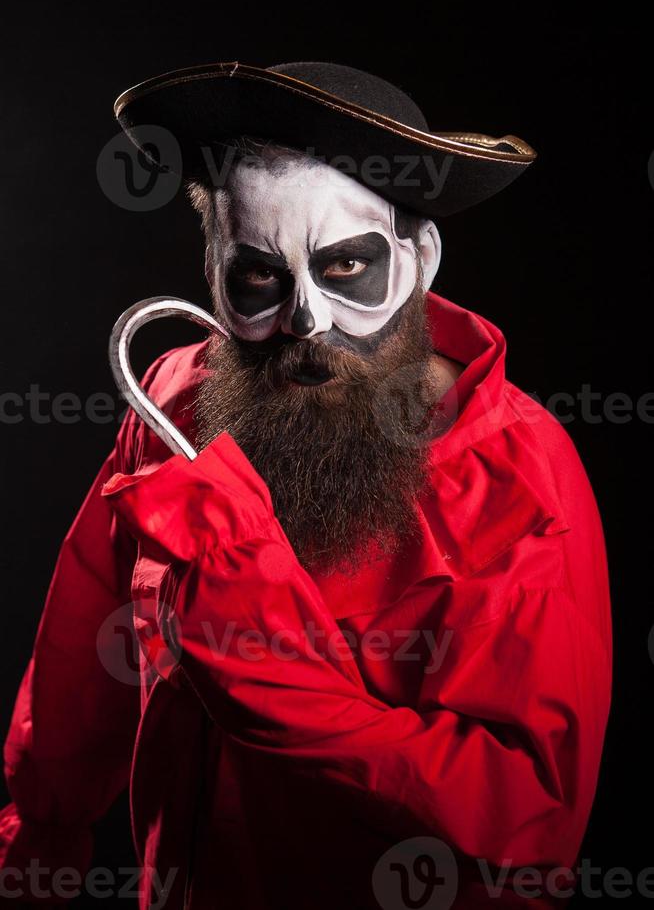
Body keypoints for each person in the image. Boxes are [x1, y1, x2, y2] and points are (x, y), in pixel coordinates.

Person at [0, 61, 612, 909]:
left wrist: (272, 676)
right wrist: (43, 837)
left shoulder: (517, 477)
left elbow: (528, 812)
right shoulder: (172, 404)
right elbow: (82, 649)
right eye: (260, 276)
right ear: (214, 265)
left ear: (418, 259)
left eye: (347, 268)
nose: (307, 322)